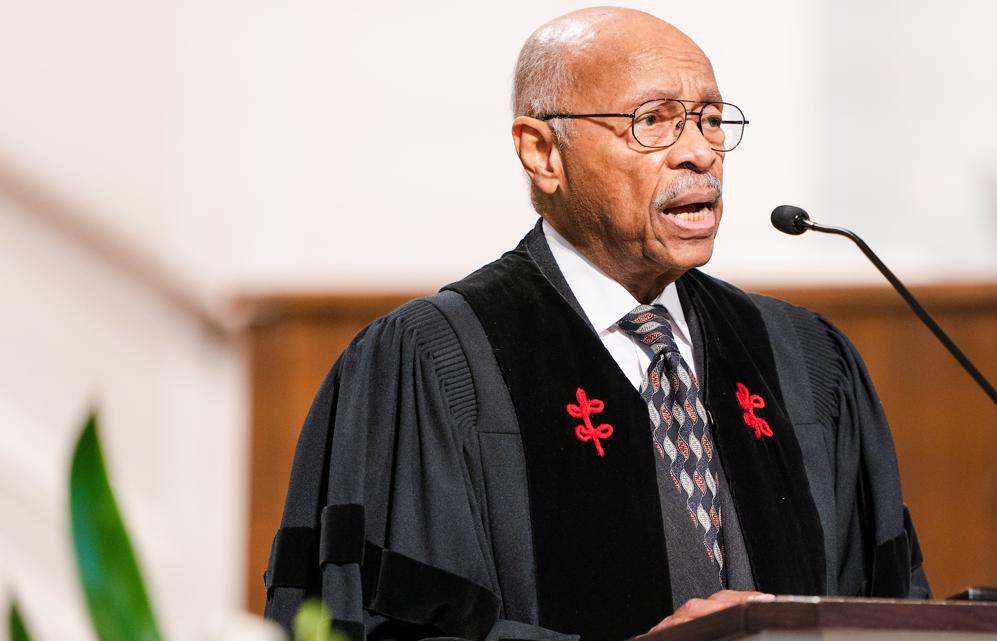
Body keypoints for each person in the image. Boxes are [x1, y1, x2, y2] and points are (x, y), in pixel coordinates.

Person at [263, 7, 929, 641]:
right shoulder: (433, 363)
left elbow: (887, 608)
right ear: (542, 152)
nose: (699, 152)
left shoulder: (803, 361)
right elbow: (391, 625)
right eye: (654, 121)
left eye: (710, 120)